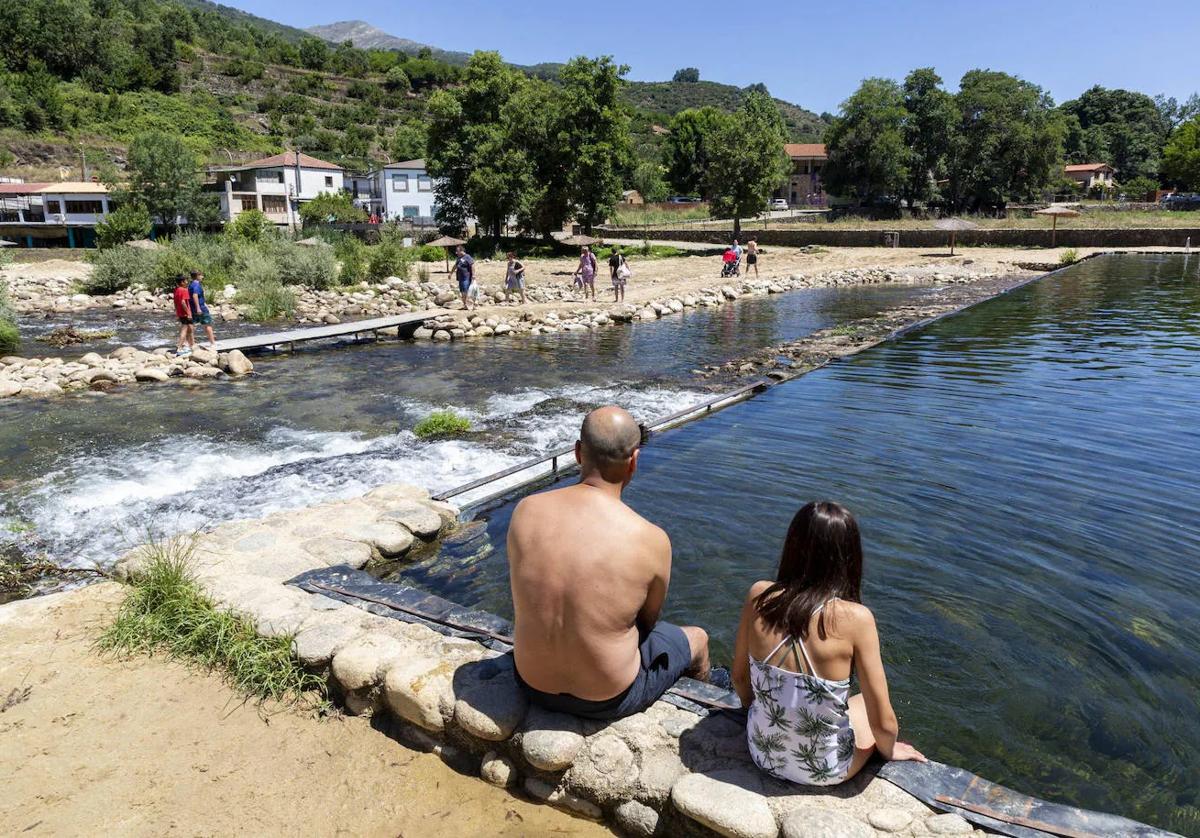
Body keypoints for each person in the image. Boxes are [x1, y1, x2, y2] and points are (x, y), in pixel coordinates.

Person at [508, 406, 710, 720]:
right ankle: (705, 707)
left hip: (530, 682)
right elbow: (646, 624)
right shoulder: (651, 539)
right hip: (608, 699)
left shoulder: (525, 511)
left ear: (577, 452)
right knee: (697, 638)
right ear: (634, 461)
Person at [732, 502, 926, 787]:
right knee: (861, 704)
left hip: (762, 753)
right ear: (849, 557)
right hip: (826, 771)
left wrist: (760, 714)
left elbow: (739, 679)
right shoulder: (856, 619)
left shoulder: (759, 596)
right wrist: (889, 751)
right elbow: (884, 724)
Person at [188, 270, 216, 350]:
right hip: (200, 308)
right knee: (207, 324)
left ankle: (191, 343)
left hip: (192, 308)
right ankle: (212, 343)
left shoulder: (190, 285)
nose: (202, 277)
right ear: (197, 276)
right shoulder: (196, 285)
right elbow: (195, 295)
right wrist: (198, 308)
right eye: (201, 275)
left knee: (192, 325)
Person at [172, 274, 194, 356]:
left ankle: (189, 345)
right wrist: (188, 313)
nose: (187, 282)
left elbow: (175, 302)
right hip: (185, 314)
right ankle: (180, 347)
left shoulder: (176, 290)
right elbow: (183, 302)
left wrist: (177, 312)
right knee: (184, 330)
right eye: (186, 281)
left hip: (180, 313)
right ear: (182, 282)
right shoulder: (184, 290)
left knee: (189, 329)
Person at [454, 245, 476, 310]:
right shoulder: (459, 258)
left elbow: (472, 265)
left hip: (466, 277)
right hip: (460, 278)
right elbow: (455, 266)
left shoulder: (467, 257)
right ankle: (465, 305)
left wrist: (473, 275)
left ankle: (469, 305)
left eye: (457, 251)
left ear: (461, 251)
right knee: (462, 291)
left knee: (466, 291)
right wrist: (451, 273)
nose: (456, 253)